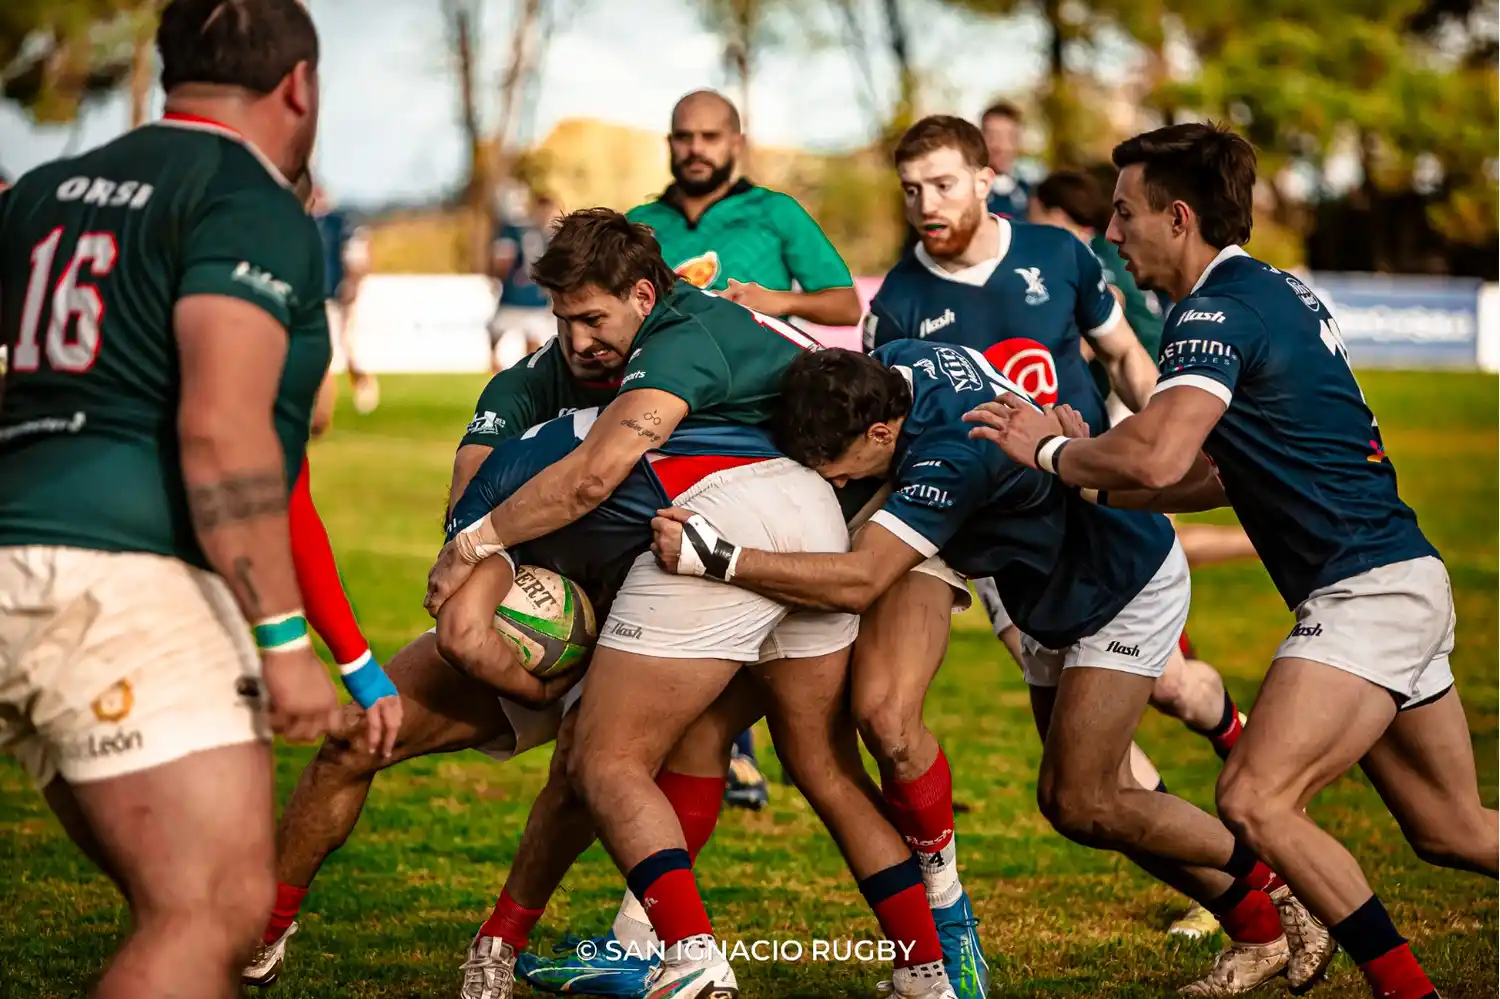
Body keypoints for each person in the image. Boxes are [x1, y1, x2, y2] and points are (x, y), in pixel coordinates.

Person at [965, 121, 1498, 999]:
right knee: (1451, 829)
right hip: (1401, 577)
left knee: (1255, 801)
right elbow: (1210, 475)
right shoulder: (1264, 291)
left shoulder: (1211, 311)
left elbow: (1161, 458)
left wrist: (1051, 453)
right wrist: (1090, 469)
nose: (1110, 234)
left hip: (1366, 591)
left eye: (1125, 213)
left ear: (1179, 219)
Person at [651, 341, 1333, 996]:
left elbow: (862, 581)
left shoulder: (949, 455)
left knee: (1086, 799)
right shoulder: (895, 366)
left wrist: (720, 556)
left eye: (840, 465)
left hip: (1116, 583)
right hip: (1032, 577)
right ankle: (1256, 927)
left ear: (885, 432)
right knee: (1056, 794)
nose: (833, 480)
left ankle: (1282, 884)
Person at [427, 208, 959, 999]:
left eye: (592, 317)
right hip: (812, 520)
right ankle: (927, 971)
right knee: (817, 766)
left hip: (729, 520)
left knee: (605, 760)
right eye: (564, 320)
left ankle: (690, 957)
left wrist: (472, 544)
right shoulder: (701, 328)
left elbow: (591, 477)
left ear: (645, 293)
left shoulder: (677, 344)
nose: (575, 339)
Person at [0, 2, 343, 997]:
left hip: (20, 548)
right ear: (299, 86)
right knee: (215, 910)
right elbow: (219, 429)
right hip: (124, 583)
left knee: (177, 899)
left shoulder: (44, 189)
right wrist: (286, 645)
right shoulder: (248, 198)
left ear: (166, 68)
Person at [628, 90, 863, 810]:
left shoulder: (776, 212)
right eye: (683, 136)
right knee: (673, 566)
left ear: (736, 140)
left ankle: (747, 735)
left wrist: (775, 301)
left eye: (709, 136)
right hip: (674, 426)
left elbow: (845, 302)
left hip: (764, 425)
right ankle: (714, 742)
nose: (695, 148)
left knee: (741, 567)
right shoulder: (642, 223)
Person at [309, 183, 377, 432]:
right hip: (323, 296)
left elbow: (357, 258)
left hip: (338, 295)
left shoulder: (339, 223)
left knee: (346, 349)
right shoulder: (314, 223)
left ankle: (359, 389)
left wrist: (352, 285)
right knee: (333, 351)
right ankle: (335, 401)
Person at [488, 189, 564, 374]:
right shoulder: (549, 235)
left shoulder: (519, 231)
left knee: (525, 339)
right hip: (523, 296)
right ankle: (513, 372)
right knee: (504, 336)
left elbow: (502, 262)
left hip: (528, 297)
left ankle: (522, 375)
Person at [979, 102, 1029, 220]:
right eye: (991, 136)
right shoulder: (968, 192)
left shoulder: (1032, 197)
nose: (999, 146)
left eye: (1007, 137)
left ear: (1018, 141)